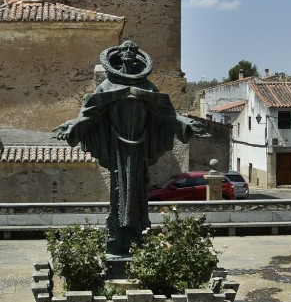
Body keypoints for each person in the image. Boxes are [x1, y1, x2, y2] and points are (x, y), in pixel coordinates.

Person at [55, 41, 207, 254]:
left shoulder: (147, 87)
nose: (128, 53)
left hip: (140, 146)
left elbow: (167, 114)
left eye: (132, 51)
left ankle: (137, 231)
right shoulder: (107, 86)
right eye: (124, 50)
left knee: (138, 188)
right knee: (119, 189)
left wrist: (188, 124)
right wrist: (73, 126)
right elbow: (90, 112)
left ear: (137, 57)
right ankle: (117, 233)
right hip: (117, 147)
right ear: (117, 56)